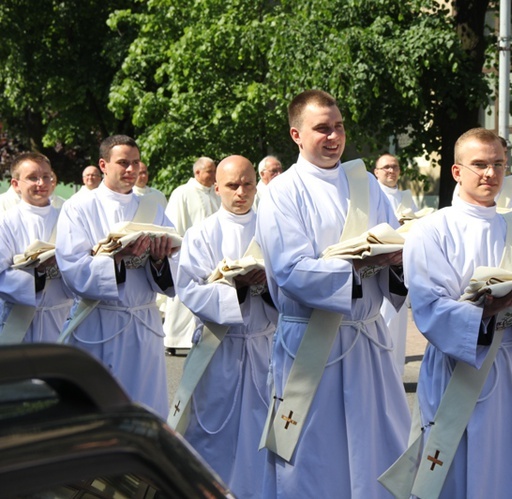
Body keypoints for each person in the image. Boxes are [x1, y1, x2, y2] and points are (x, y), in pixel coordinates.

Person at [255, 90, 409, 498]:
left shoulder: (367, 186)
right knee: (310, 458)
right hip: (310, 342)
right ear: (296, 134)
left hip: (366, 342)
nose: (333, 136)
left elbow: (393, 244)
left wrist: (396, 262)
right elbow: (290, 269)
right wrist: (357, 269)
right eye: (322, 128)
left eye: (338, 126)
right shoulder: (280, 192)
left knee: (374, 451)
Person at [399, 128, 512, 498]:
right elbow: (429, 307)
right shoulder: (432, 230)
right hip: (456, 372)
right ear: (457, 171)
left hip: (506, 374)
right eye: (479, 165)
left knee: (507, 475)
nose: (490, 174)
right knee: (453, 475)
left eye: (498, 165)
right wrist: (483, 313)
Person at [176, 155, 277, 498]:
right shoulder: (202, 232)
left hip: (264, 343)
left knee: (259, 429)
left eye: (248, 184)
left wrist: (267, 286)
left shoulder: (272, 229)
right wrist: (240, 287)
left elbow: (291, 282)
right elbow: (189, 288)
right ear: (216, 187)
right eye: (232, 185)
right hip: (220, 346)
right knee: (214, 428)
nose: (241, 192)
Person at [56, 134, 176, 417]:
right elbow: (72, 267)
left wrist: (159, 259)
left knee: (145, 408)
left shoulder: (152, 209)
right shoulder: (80, 207)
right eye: (123, 163)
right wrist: (117, 257)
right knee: (100, 409)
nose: (131, 170)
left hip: (143, 324)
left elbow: (176, 265)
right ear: (103, 165)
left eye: (135, 163)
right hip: (99, 321)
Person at [0, 152, 74, 343]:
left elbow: (80, 265)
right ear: (16, 185)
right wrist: (37, 273)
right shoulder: (6, 221)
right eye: (33, 178)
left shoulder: (68, 218)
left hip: (60, 317)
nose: (41, 183)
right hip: (18, 320)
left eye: (46, 177)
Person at [163, 157, 220, 352]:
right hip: (186, 251)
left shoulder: (216, 192)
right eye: (209, 171)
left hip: (211, 254)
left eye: (214, 171)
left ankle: (200, 336)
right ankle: (173, 339)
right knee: (181, 297)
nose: (213, 175)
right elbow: (173, 223)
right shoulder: (182, 193)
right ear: (197, 173)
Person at [372, 153, 417, 377]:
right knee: (381, 322)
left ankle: (395, 375)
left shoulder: (406, 198)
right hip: (380, 267)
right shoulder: (372, 196)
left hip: (402, 265)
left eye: (395, 166)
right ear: (376, 172)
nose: (391, 171)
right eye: (386, 167)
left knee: (398, 328)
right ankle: (378, 374)